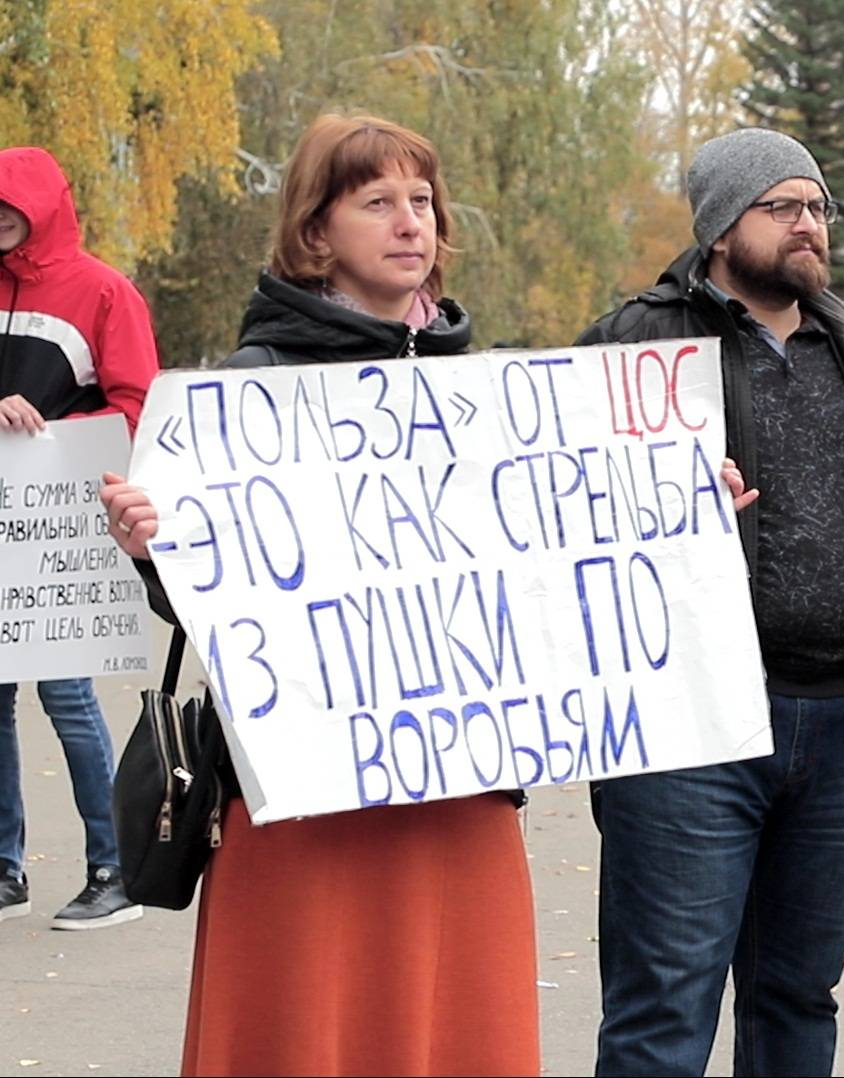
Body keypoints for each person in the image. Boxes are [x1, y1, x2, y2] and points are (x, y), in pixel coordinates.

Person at [98, 113, 546, 1076]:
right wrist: (153, 550)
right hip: (308, 792)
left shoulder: (488, 387)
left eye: (421, 201)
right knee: (303, 1027)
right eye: (376, 202)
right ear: (315, 231)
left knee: (453, 1024)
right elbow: (207, 602)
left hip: (457, 785)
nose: (408, 223)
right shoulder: (251, 386)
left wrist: (669, 509)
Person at [573, 127, 844, 1077]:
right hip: (686, 733)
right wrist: (665, 507)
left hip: (837, 729)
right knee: (664, 1008)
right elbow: (563, 515)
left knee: (797, 1000)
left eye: (818, 207)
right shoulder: (638, 344)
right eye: (781, 207)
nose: (808, 227)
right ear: (718, 227)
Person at [0, 146, 160, 930]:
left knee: (67, 696)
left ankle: (114, 867)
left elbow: (139, 409)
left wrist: (55, 436)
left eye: (11, 211)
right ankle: (5, 866)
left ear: (44, 208)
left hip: (65, 532)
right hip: (2, 529)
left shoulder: (102, 291)